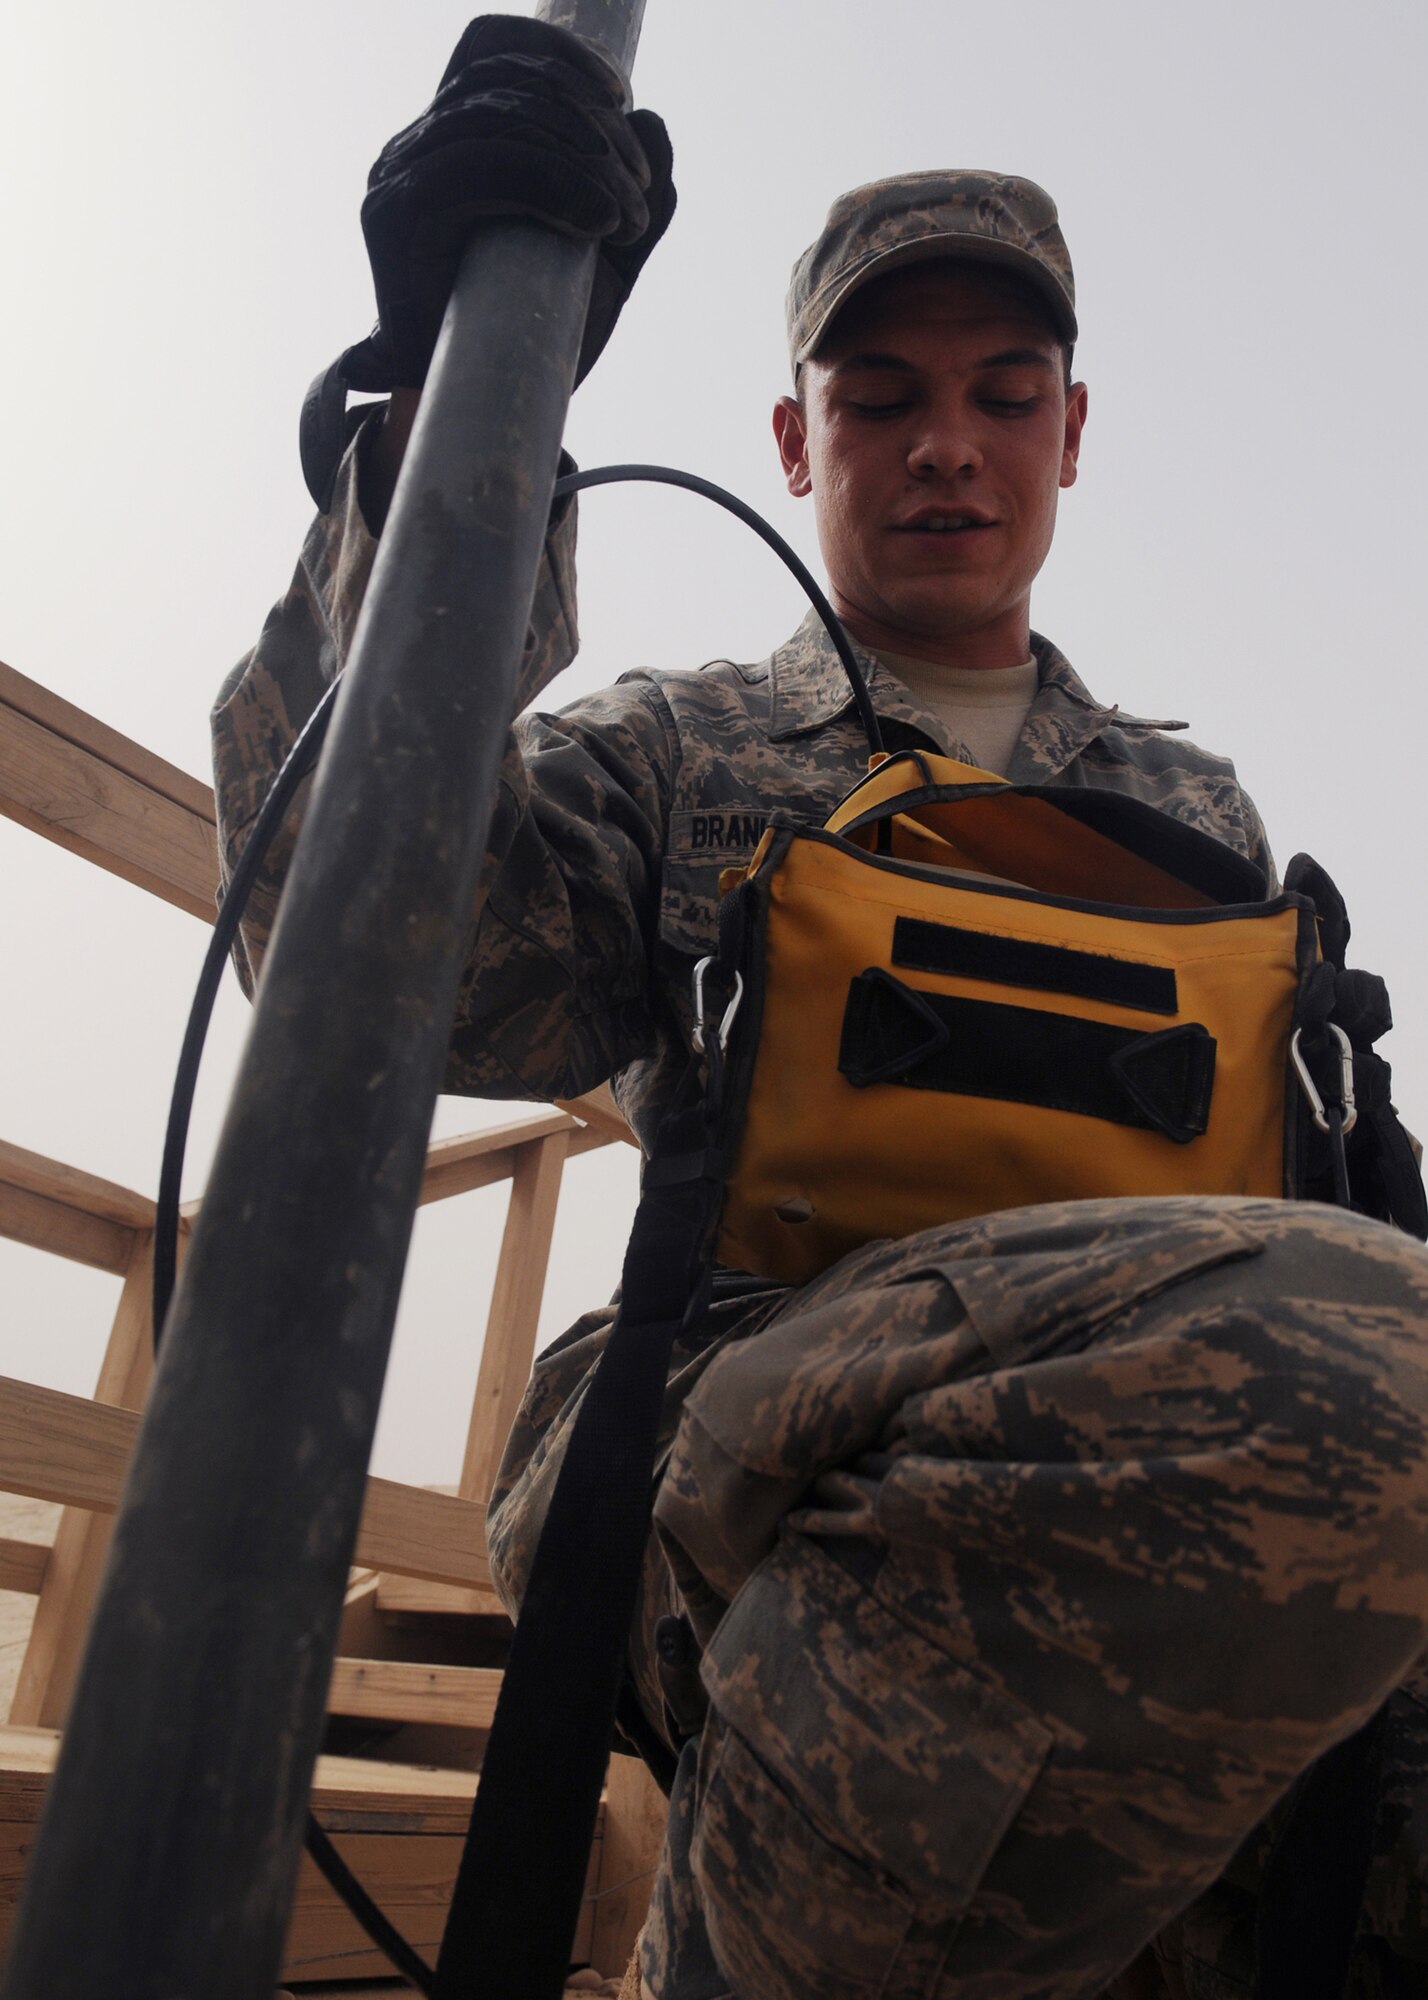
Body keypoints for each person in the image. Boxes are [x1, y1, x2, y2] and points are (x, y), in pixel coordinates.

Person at [212, 18, 1428, 1999]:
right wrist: (440, 428)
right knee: (1337, 1372)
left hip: (1161, 1387)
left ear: (1070, 433)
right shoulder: (683, 749)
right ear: (795, 446)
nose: (946, 443)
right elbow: (362, 959)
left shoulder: (1194, 814)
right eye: (880, 399)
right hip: (748, 1390)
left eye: (1002, 395)